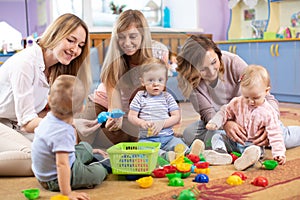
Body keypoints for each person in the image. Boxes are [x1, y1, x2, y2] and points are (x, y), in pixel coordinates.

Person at [0, 13, 95, 176]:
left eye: (80, 45)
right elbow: (28, 122)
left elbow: (43, 112)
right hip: (5, 123)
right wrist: (68, 124)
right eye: (71, 40)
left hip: (15, 125)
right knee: (36, 159)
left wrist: (74, 124)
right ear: (56, 34)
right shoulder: (25, 64)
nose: (75, 50)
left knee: (61, 152)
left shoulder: (54, 68)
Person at [176, 35, 300, 151]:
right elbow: (208, 114)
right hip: (221, 120)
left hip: (253, 114)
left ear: (218, 54)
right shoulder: (191, 81)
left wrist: (269, 124)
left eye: (214, 62)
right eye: (203, 69)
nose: (212, 72)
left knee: (280, 137)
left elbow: (266, 96)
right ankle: (245, 144)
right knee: (190, 133)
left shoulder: (233, 62)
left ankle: (245, 143)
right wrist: (226, 124)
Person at [77, 9, 169, 149]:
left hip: (131, 113)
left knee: (133, 136)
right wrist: (116, 116)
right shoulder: (115, 60)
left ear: (143, 36)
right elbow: (115, 104)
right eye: (121, 37)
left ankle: (100, 141)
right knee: (81, 142)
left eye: (132, 36)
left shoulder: (159, 54)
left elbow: (159, 92)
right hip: (101, 103)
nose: (126, 43)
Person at [32, 75, 108, 200]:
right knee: (99, 172)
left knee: (86, 147)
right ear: (80, 108)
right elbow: (62, 164)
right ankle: (94, 167)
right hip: (54, 178)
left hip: (46, 171)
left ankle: (88, 158)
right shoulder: (63, 132)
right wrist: (67, 193)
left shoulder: (48, 119)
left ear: (49, 100)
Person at [204, 65, 286, 170]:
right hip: (234, 141)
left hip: (252, 144)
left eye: (255, 98)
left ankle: (246, 160)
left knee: (256, 151)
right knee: (217, 136)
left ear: (266, 91)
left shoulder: (269, 112)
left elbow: (276, 134)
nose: (251, 102)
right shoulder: (237, 102)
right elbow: (224, 111)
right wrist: (215, 122)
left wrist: (279, 153)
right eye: (246, 97)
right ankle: (221, 153)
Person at [128, 58, 188, 160]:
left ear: (165, 81)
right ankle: (164, 156)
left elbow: (176, 116)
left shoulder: (167, 97)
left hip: (168, 138)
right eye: (151, 80)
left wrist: (162, 124)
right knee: (141, 147)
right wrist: (141, 123)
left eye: (160, 80)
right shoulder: (140, 96)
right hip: (148, 140)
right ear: (143, 82)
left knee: (178, 144)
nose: (156, 84)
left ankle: (189, 152)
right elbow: (131, 116)